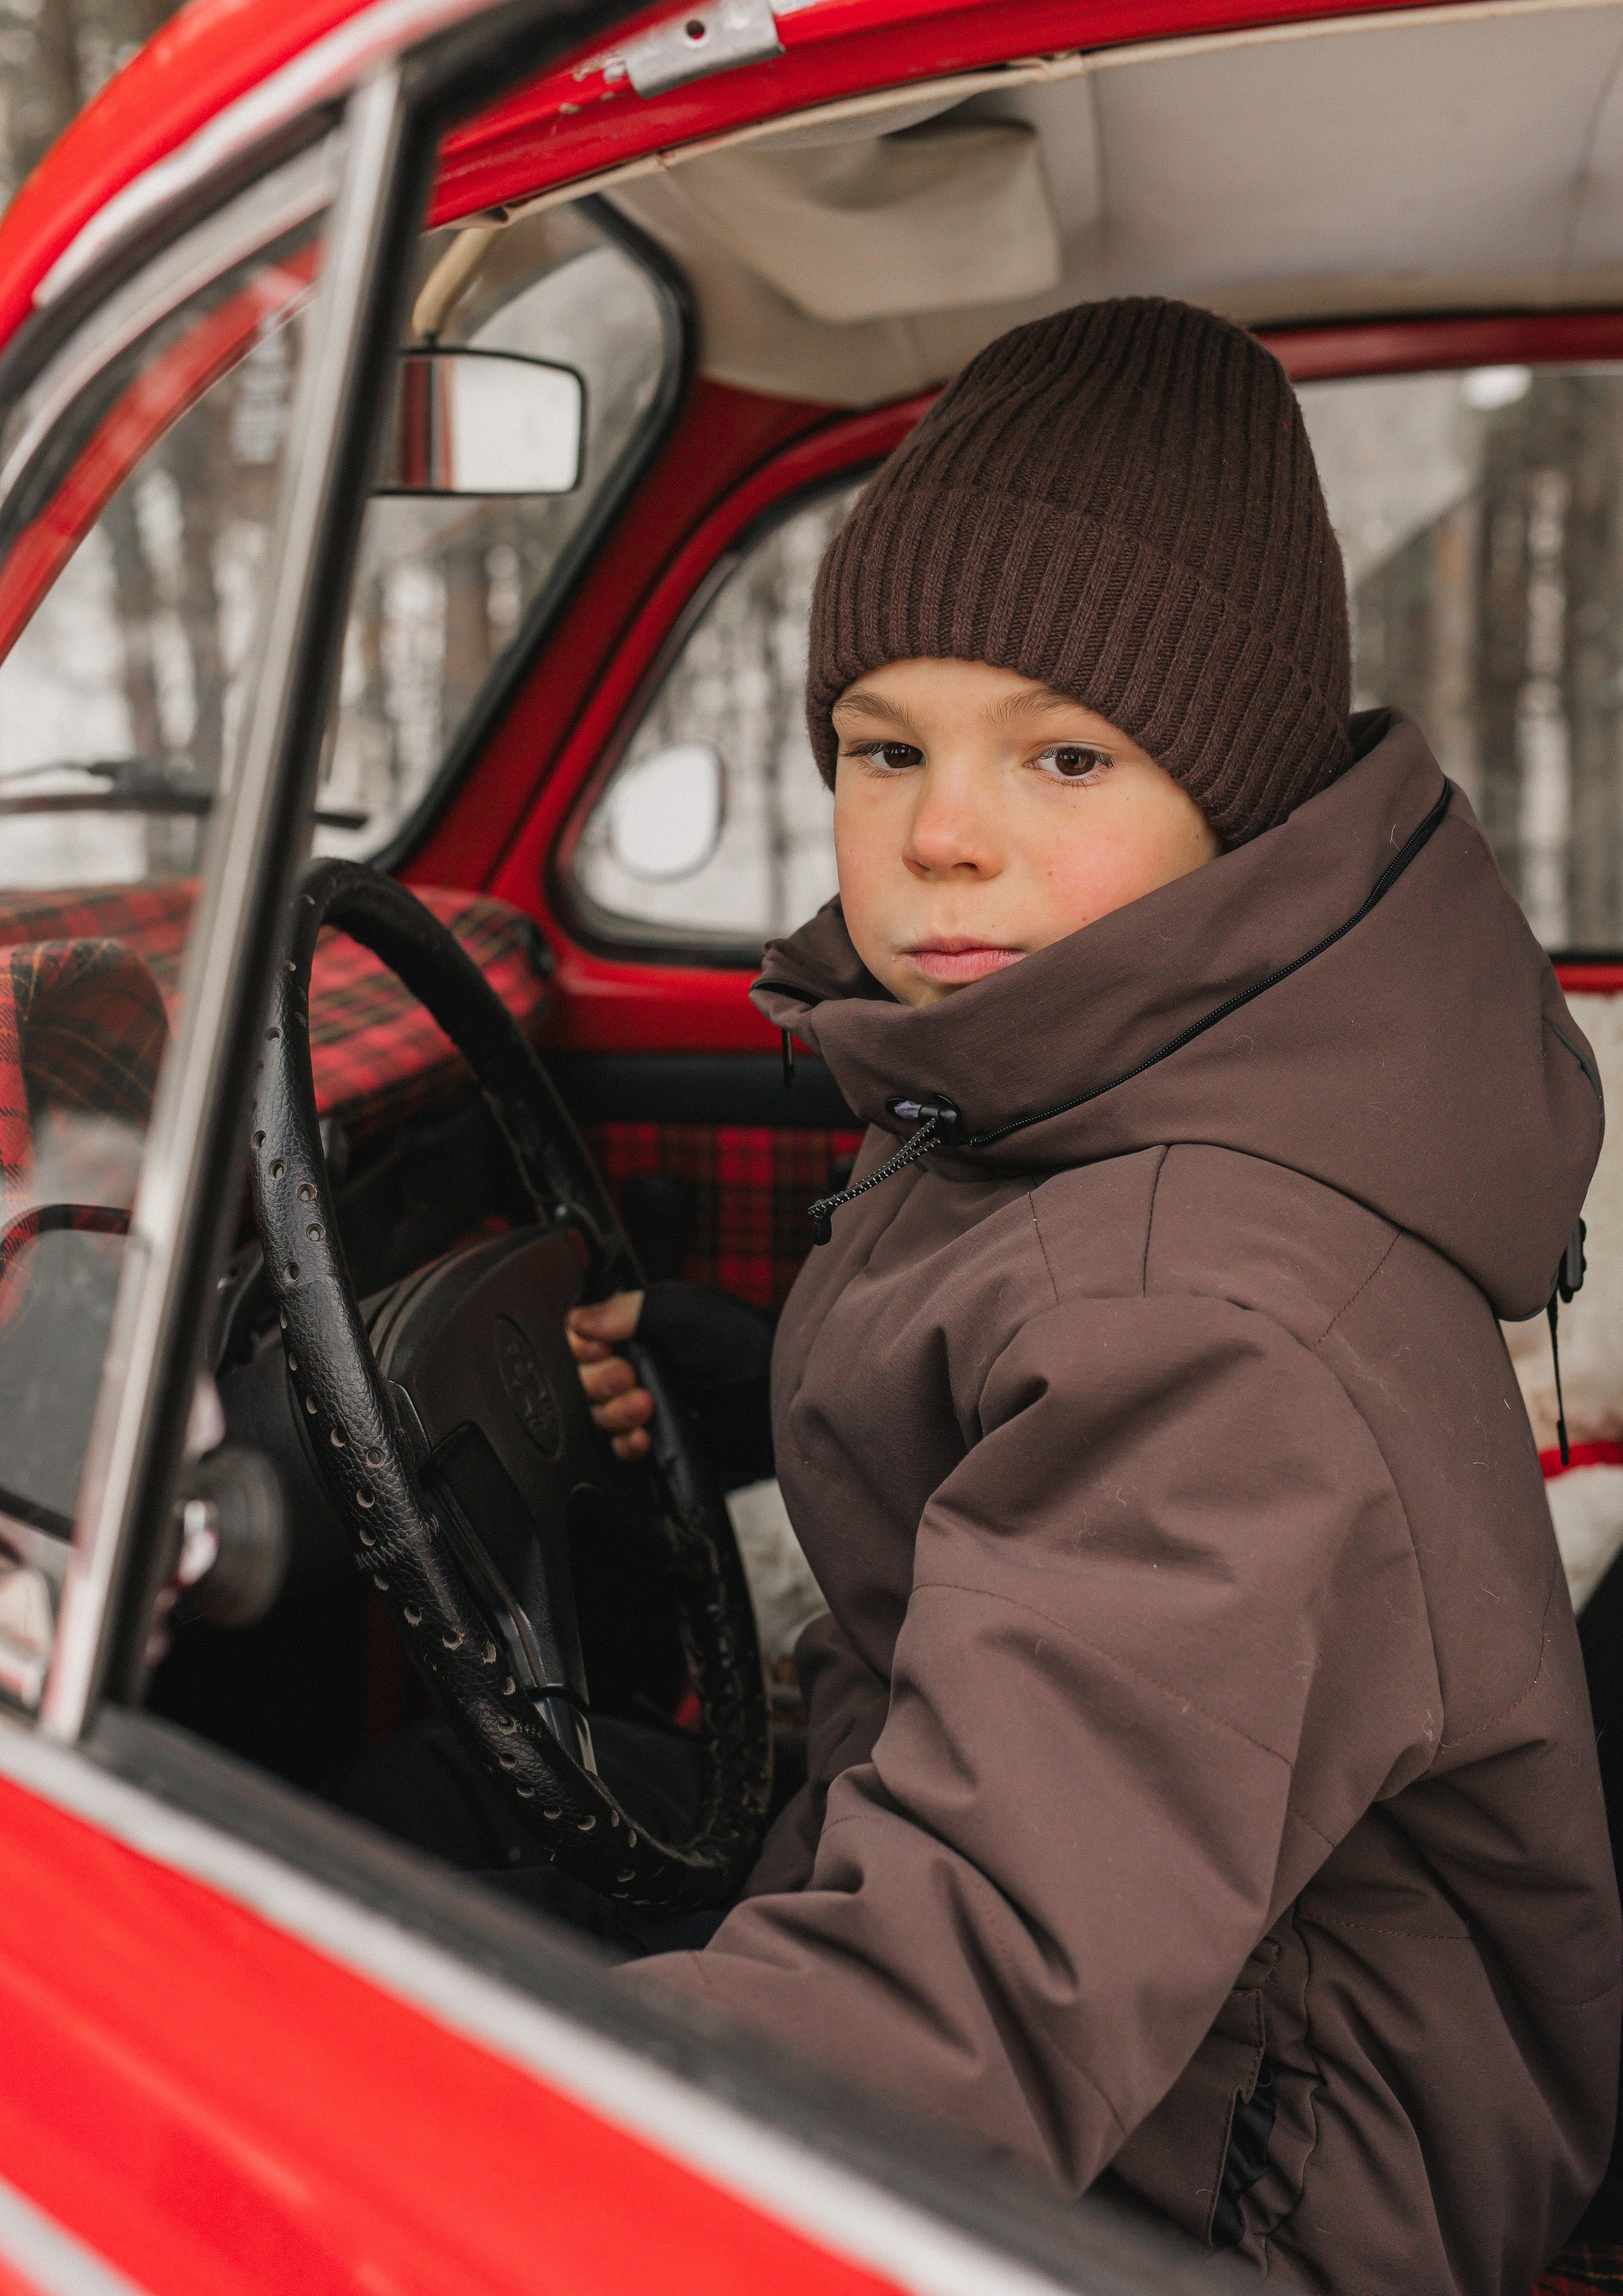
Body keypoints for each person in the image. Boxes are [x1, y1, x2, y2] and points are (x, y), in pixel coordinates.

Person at [391, 299, 1623, 2286]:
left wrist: (425, 2184)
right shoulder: (1074, 1077)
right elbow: (1005, 1414)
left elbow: (957, 2003)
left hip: (1249, 2174)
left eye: (1063, 754)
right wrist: (729, 1377)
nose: (943, 836)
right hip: (1107, 1981)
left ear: (1237, 797)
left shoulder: (1215, 1322)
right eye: (886, 748)